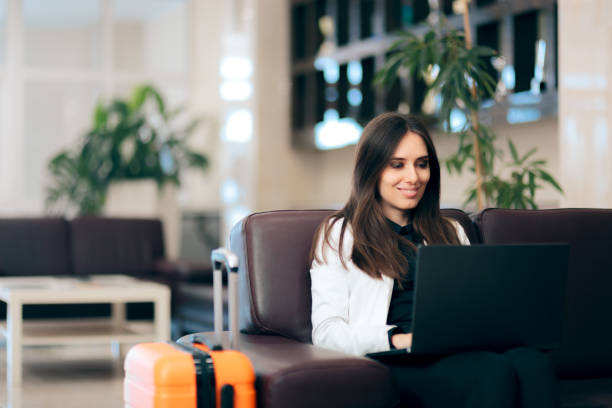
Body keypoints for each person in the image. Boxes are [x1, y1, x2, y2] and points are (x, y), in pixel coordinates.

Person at [309, 112, 559, 408]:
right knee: (490, 373)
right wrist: (398, 339)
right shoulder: (340, 234)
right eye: (397, 165)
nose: (413, 177)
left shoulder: (450, 231)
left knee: (532, 363)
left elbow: (475, 309)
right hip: (394, 361)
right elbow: (326, 332)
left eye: (422, 164)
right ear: (372, 169)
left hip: (457, 351)